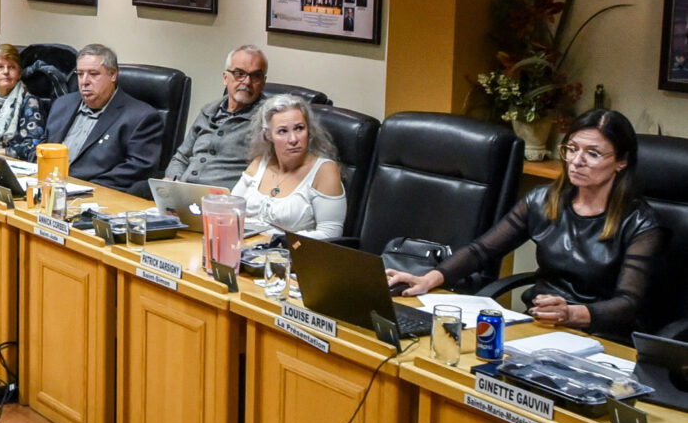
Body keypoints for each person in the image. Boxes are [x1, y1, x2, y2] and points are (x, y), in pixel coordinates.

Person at [388, 109, 664, 341]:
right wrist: (428, 279)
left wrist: (571, 313)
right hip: (538, 327)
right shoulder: (543, 200)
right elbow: (481, 251)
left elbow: (628, 303)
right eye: (572, 149)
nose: (576, 161)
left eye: (592, 154)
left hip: (599, 336)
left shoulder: (639, 222)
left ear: (621, 162)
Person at [41, 44, 163, 198]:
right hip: (48, 189)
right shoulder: (62, 104)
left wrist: (84, 189)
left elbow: (138, 168)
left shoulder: (141, 117)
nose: (84, 82)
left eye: (93, 74)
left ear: (113, 75)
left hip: (94, 196)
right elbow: (45, 146)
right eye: (80, 74)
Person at [229, 95, 346, 239]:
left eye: (299, 128)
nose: (293, 139)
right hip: (242, 247)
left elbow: (330, 234)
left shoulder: (324, 170)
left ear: (309, 130)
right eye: (282, 131)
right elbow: (229, 209)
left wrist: (277, 240)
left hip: (288, 255)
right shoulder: (260, 163)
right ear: (268, 135)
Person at [165, 45, 270, 187]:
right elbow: (181, 157)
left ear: (263, 82)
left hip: (223, 201)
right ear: (225, 78)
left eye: (256, 76)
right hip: (183, 193)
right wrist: (173, 180)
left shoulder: (268, 119)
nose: (247, 82)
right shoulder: (208, 111)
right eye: (240, 73)